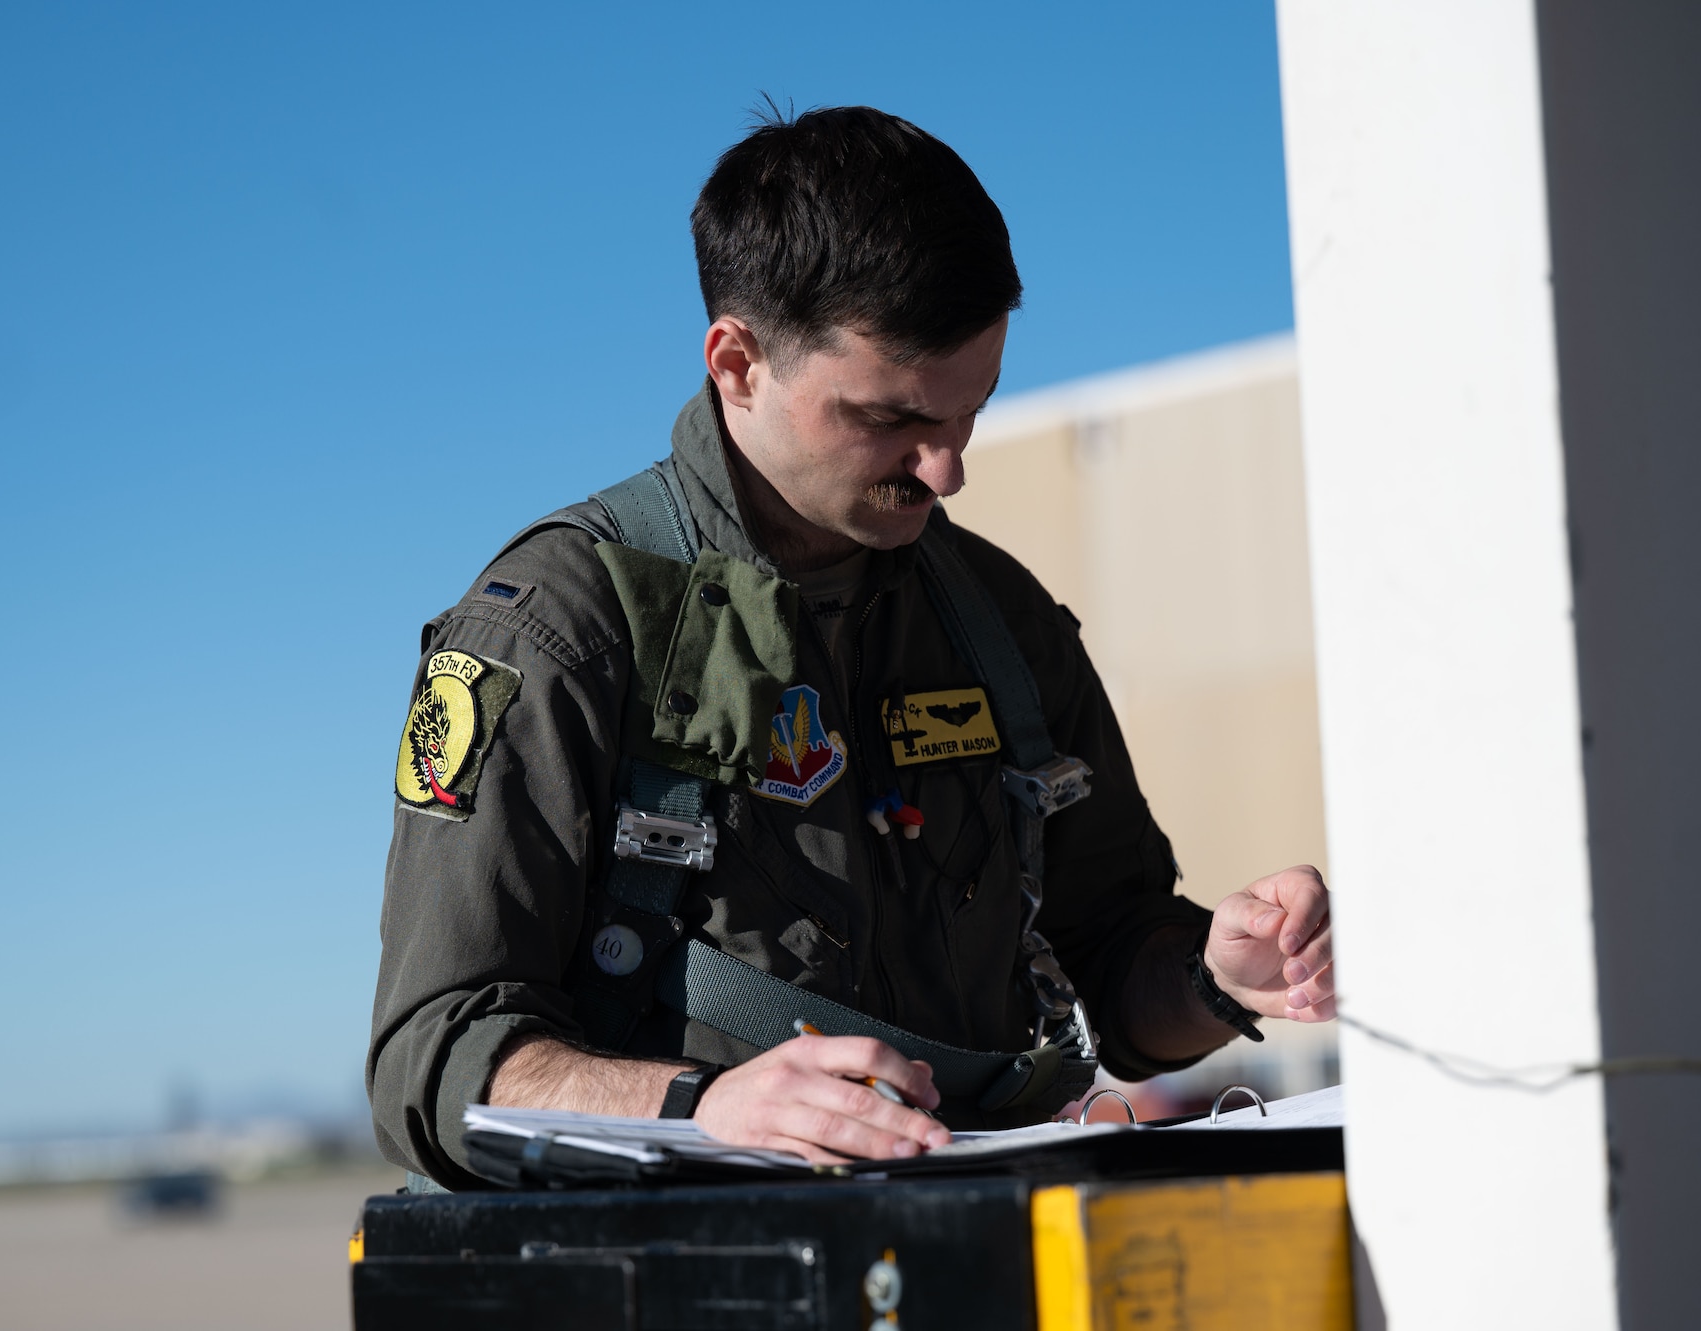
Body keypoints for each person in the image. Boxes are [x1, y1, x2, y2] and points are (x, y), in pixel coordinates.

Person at [367, 106, 1334, 1191]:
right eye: (889, 419)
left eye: (967, 414)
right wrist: (701, 1106)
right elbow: (436, 1054)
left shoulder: (999, 624)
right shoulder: (559, 626)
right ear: (737, 362)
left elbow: (1114, 965)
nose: (945, 470)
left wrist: (1214, 975)